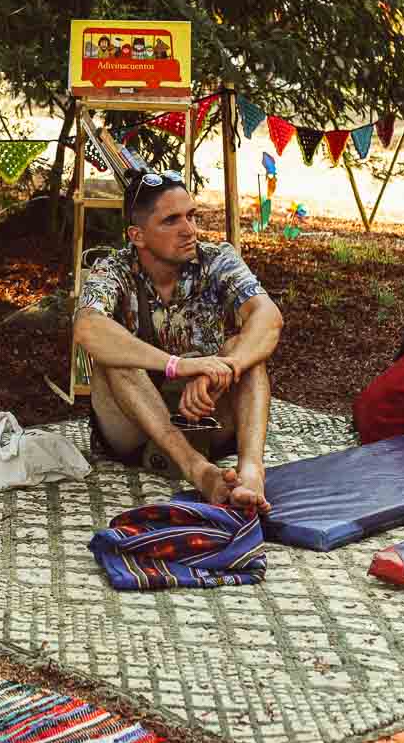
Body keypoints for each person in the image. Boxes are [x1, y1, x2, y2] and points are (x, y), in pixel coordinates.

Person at [74, 170, 282, 514]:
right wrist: (179, 365)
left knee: (246, 352)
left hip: (207, 415)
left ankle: (250, 472)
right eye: (171, 220)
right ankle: (198, 471)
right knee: (114, 358)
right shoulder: (112, 269)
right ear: (137, 236)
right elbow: (88, 329)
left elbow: (268, 317)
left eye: (191, 215)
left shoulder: (217, 259)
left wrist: (227, 368)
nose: (189, 229)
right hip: (135, 429)